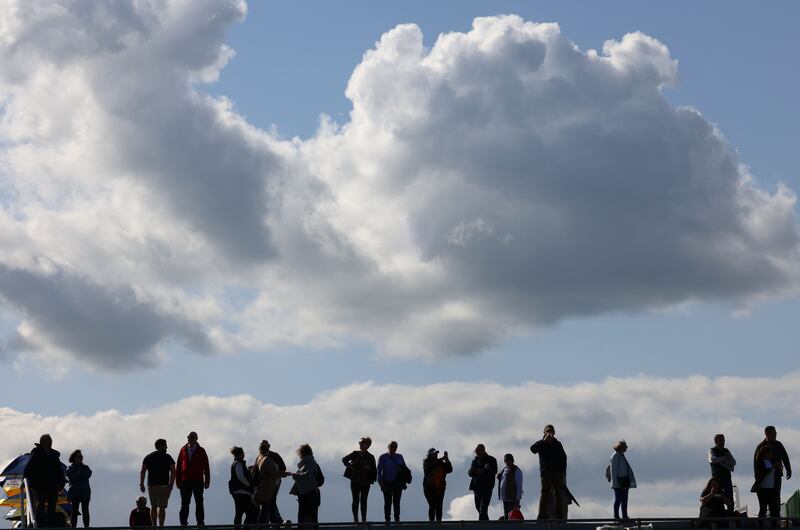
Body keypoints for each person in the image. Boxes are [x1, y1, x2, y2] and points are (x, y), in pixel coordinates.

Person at [24, 434, 66, 528]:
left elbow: (59, 470)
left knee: (52, 508)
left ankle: (50, 526)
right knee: (41, 506)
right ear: (42, 442)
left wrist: (61, 483)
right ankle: (40, 526)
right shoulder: (36, 453)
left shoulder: (54, 455)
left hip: (53, 485)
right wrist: (31, 483)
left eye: (50, 440)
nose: (49, 442)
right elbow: (29, 468)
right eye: (47, 440)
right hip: (40, 485)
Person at [530, 424, 568, 519]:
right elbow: (533, 449)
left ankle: (559, 515)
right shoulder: (541, 443)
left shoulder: (557, 444)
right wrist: (544, 441)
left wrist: (562, 472)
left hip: (557, 473)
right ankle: (542, 514)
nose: (549, 433)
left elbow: (564, 458)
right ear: (544, 432)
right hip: (546, 473)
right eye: (547, 431)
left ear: (554, 433)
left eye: (551, 431)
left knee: (558, 493)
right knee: (545, 493)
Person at [753, 425, 791, 518]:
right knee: (763, 508)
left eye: (775, 433)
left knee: (776, 504)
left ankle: (775, 524)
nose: (775, 435)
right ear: (767, 434)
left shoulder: (778, 444)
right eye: (773, 433)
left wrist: (788, 470)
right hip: (763, 482)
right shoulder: (760, 446)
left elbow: (785, 457)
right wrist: (758, 478)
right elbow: (756, 464)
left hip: (776, 477)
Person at [175, 431, 210, 527]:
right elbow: (178, 466)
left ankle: (200, 523)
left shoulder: (201, 450)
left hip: (198, 480)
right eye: (189, 437)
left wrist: (207, 481)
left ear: (196, 439)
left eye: (192, 437)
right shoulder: (183, 450)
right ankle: (183, 523)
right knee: (185, 503)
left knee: (199, 502)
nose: (190, 439)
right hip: (185, 480)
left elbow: (206, 466)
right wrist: (177, 481)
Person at [140, 438, 176, 528]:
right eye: (165, 445)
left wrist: (141, 484)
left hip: (152, 485)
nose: (166, 447)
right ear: (160, 446)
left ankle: (154, 526)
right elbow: (173, 471)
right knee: (162, 506)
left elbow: (143, 471)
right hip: (164, 486)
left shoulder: (148, 457)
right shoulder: (168, 457)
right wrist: (171, 485)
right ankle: (161, 526)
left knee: (153, 505)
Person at [342, 437, 377, 523]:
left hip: (366, 482)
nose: (360, 444)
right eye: (360, 442)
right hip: (355, 480)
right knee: (355, 500)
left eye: (362, 442)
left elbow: (374, 470)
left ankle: (364, 519)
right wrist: (350, 466)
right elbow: (344, 459)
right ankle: (355, 519)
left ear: (367, 445)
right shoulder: (355, 453)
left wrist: (369, 469)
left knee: (364, 500)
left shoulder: (371, 457)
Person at [288, 444, 322, 530]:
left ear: (302, 454)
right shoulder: (312, 464)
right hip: (312, 494)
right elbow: (318, 480)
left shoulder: (308, 464)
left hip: (307, 495)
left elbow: (307, 475)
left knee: (303, 518)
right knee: (313, 519)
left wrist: (297, 476)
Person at [254, 440, 283, 528]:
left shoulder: (263, 457)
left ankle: (272, 523)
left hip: (269, 484)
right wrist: (281, 474)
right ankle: (276, 523)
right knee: (269, 505)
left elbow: (282, 467)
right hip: (268, 485)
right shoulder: (264, 458)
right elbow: (274, 472)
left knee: (268, 505)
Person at [377, 441, 407, 523]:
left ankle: (397, 520)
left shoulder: (400, 456)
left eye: (395, 446)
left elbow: (405, 469)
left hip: (398, 483)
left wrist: (404, 480)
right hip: (386, 483)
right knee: (387, 502)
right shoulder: (383, 457)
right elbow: (378, 471)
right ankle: (387, 520)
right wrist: (381, 484)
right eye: (391, 446)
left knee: (397, 503)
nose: (393, 448)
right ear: (388, 447)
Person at [606, 440, 636, 521]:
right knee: (618, 499)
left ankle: (624, 516)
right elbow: (613, 471)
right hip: (619, 483)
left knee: (624, 499)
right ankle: (616, 516)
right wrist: (615, 484)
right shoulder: (615, 456)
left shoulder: (621, 455)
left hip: (624, 482)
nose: (626, 448)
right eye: (625, 446)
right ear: (621, 447)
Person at [468, 444, 498, 521]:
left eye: (478, 451)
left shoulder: (491, 459)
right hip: (476, 487)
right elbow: (470, 473)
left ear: (483, 450)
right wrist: (475, 471)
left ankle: (482, 525)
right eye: (476, 451)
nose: (477, 453)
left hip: (487, 487)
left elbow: (494, 471)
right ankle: (486, 523)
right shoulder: (474, 461)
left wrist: (483, 472)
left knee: (483, 507)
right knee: (478, 507)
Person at [229, 446, 257, 528]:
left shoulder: (235, 463)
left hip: (237, 492)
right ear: (241, 454)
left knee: (239, 512)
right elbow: (240, 476)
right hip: (243, 491)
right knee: (251, 512)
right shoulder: (238, 463)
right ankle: (246, 527)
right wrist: (248, 485)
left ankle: (238, 528)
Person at [422, 448, 453, 522]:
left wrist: (447, 460)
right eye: (434, 453)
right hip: (429, 487)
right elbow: (429, 468)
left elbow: (449, 469)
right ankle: (432, 523)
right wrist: (441, 459)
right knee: (432, 505)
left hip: (440, 487)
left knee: (439, 506)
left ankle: (439, 523)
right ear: (430, 455)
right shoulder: (426, 462)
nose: (436, 455)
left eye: (436, 453)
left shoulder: (440, 462)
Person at [708, 434, 735, 513]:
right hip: (716, 480)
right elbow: (712, 459)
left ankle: (731, 519)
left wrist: (720, 461)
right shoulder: (712, 450)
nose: (722, 442)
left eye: (723, 440)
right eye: (720, 440)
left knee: (730, 502)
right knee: (716, 500)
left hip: (727, 479)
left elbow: (733, 462)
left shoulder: (726, 451)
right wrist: (725, 459)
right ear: (715, 441)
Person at [66, 449, 92, 528]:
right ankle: (73, 527)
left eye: (81, 457)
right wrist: (80, 474)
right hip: (75, 493)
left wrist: (78, 474)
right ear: (74, 458)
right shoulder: (70, 469)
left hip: (84, 492)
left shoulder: (85, 467)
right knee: (74, 512)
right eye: (79, 456)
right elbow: (73, 477)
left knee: (85, 511)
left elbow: (88, 474)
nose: (81, 458)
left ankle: (86, 527)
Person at [752, 445, 781, 518]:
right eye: (770, 453)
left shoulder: (772, 461)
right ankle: (761, 526)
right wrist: (773, 466)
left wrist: (779, 468)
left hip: (772, 489)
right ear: (765, 453)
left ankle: (774, 526)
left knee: (773, 509)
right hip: (762, 489)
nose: (771, 455)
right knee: (763, 509)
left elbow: (777, 474)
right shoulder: (759, 462)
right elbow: (764, 472)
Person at [497, 454, 523, 519]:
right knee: (507, 516)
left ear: (512, 461)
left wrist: (517, 499)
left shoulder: (517, 471)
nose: (508, 462)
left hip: (512, 498)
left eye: (509, 460)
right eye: (506, 461)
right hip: (504, 497)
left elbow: (519, 486)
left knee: (512, 517)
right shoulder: (504, 470)